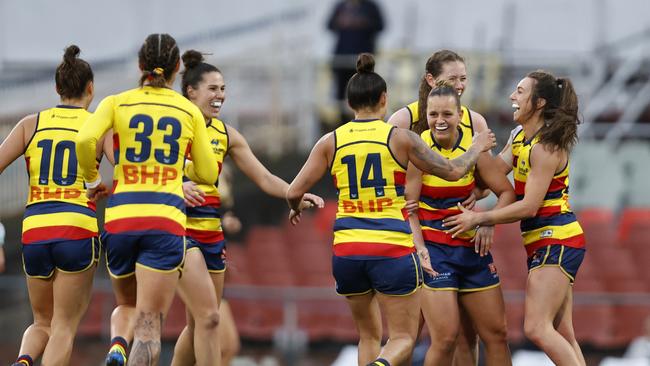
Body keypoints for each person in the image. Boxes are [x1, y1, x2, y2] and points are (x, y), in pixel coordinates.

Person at [286, 53, 495, 366]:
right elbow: (452, 171)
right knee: (402, 338)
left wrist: (297, 205)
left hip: (347, 251)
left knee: (369, 336)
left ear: (349, 102)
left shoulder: (330, 140)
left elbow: (293, 191)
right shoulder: (399, 138)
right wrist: (476, 148)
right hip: (391, 248)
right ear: (384, 99)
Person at [170, 50, 323, 366]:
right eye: (213, 88)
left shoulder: (226, 134)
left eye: (223, 89)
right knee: (211, 319)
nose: (220, 95)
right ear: (191, 91)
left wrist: (295, 194)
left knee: (200, 321)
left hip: (211, 234)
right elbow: (139, 167)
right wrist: (174, 185)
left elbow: (265, 177)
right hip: (178, 232)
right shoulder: (171, 127)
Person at [75, 34, 220, 366]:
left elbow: (84, 139)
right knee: (149, 328)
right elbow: (208, 173)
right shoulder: (188, 110)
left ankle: (116, 348)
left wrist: (93, 179)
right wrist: (177, 167)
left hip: (121, 218)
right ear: (177, 69)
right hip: (163, 221)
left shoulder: (116, 102)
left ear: (140, 65)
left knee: (126, 306)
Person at [443, 70, 587, 366]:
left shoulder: (545, 147)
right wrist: (472, 156)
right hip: (543, 241)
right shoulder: (520, 138)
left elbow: (529, 207)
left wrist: (480, 219)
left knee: (536, 328)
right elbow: (493, 175)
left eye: (520, 92)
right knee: (563, 332)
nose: (512, 96)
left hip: (555, 239)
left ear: (539, 103)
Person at [0, 45, 109, 366]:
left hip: (34, 231)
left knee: (41, 322)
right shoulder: (97, 126)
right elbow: (127, 169)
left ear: (57, 89)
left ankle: (23, 361)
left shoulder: (29, 125)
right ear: (91, 88)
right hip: (75, 228)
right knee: (63, 327)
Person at [388, 49, 490, 366]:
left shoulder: (474, 121)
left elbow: (486, 180)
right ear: (431, 80)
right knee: (408, 333)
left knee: (463, 336)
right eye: (451, 79)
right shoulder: (403, 120)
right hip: (411, 235)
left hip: (454, 241)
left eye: (463, 79)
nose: (459, 85)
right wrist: (413, 238)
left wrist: (486, 216)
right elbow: (392, 183)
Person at [405, 82, 514, 366]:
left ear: (459, 115)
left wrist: (488, 222)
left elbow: (506, 191)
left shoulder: (473, 146)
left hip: (472, 251)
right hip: (436, 254)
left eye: (447, 114)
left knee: (497, 334)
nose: (439, 121)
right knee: (445, 339)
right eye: (433, 114)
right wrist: (420, 248)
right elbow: (409, 208)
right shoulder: (418, 148)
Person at [327, 0, 384, 124]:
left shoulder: (370, 7)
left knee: (364, 91)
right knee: (342, 95)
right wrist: (343, 22)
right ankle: (343, 124)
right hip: (342, 59)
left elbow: (380, 25)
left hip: (363, 60)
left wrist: (363, 23)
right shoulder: (341, 6)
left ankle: (366, 122)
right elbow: (329, 25)